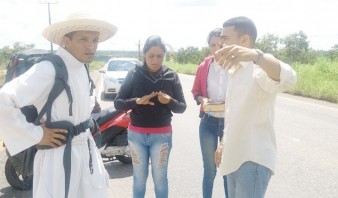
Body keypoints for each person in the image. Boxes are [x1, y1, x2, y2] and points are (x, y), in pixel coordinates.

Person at [0, 11, 117, 198]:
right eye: (83, 39)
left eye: (95, 40)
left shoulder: (81, 67)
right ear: (66, 40)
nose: (91, 46)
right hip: (58, 157)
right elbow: (3, 100)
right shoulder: (49, 69)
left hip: (86, 152)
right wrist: (36, 135)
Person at [214, 16, 297, 198]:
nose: (220, 43)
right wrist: (223, 144)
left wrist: (256, 56)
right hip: (234, 156)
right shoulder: (235, 70)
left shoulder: (258, 68)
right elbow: (235, 115)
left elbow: (289, 78)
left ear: (244, 40)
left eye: (225, 38)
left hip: (251, 160)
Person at [114, 35, 186, 198]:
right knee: (139, 180)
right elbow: (118, 102)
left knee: (160, 180)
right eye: (151, 56)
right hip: (137, 135)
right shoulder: (134, 74)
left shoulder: (171, 76)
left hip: (162, 136)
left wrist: (168, 101)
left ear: (164, 56)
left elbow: (182, 107)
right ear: (144, 55)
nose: (155, 60)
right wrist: (137, 101)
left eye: (159, 56)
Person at [191, 28, 229, 198]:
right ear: (209, 46)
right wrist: (203, 100)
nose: (217, 48)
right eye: (213, 44)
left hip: (230, 124)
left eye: (220, 44)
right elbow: (196, 92)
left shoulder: (235, 67)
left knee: (229, 168)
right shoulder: (203, 67)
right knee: (210, 169)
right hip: (208, 122)